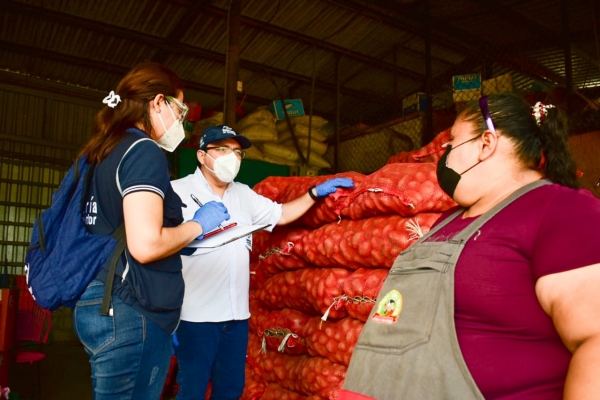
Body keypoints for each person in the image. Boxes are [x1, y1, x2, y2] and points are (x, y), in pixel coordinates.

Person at [339, 93, 600, 400]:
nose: (444, 154)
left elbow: (593, 340)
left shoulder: (561, 210)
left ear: (486, 144)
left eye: (451, 143)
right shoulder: (448, 221)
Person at [74, 62, 230, 399]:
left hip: (100, 305)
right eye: (181, 109)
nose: (182, 121)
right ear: (159, 103)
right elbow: (145, 244)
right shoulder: (142, 150)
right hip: (130, 310)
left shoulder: (103, 150)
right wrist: (196, 226)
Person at [170, 124, 354, 400]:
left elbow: (281, 214)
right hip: (195, 317)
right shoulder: (177, 192)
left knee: (230, 389)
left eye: (237, 152)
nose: (231, 157)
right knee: (191, 390)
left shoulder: (243, 194)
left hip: (235, 318)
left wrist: (315, 194)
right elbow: (157, 244)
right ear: (201, 155)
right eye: (221, 149)